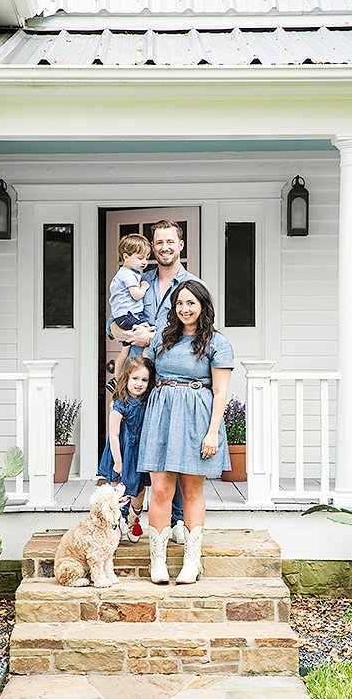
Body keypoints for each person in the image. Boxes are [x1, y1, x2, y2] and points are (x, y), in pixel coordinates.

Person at [108, 219, 203, 545]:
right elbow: (112, 326)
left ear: (181, 245)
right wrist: (128, 333)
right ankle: (122, 517)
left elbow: (201, 330)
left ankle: (176, 519)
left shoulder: (192, 285)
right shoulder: (137, 278)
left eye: (169, 242)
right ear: (152, 246)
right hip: (138, 376)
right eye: (158, 242)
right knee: (128, 442)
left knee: (171, 445)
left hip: (172, 379)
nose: (164, 247)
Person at [137, 280, 234, 584]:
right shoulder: (162, 340)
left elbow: (220, 392)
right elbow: (143, 373)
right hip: (161, 416)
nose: (185, 309)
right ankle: (158, 562)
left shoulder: (217, 343)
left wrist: (213, 433)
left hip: (197, 419)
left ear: (203, 306)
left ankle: (191, 563)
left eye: (191, 303)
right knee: (162, 491)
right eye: (180, 303)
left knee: (192, 492)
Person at [98, 356, 154, 543]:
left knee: (138, 491)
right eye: (135, 379)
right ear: (126, 379)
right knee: (116, 490)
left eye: (144, 380)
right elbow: (113, 435)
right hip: (120, 451)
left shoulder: (148, 402)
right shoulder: (120, 404)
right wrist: (118, 462)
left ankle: (133, 520)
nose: (139, 384)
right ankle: (115, 523)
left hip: (139, 452)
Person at [106, 234, 153, 393]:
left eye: (146, 257)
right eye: (140, 258)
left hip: (123, 316)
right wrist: (145, 286)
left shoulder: (126, 273)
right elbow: (137, 295)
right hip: (127, 316)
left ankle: (116, 380)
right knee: (149, 337)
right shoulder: (128, 274)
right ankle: (145, 364)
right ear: (126, 257)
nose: (144, 262)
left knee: (124, 351)